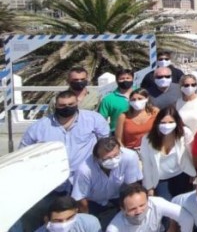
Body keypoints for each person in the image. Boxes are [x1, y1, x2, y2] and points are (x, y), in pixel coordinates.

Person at [17, 90, 110, 231]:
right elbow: (23, 153)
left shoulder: (94, 120)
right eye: (62, 105)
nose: (67, 107)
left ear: (77, 103)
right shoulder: (39, 127)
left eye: (71, 104)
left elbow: (105, 145)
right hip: (50, 186)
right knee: (37, 217)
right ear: (56, 105)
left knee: (86, 221)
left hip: (84, 183)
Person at [72, 137, 143, 227]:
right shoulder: (84, 170)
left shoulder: (130, 157)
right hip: (93, 203)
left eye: (116, 155)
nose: (113, 160)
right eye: (107, 158)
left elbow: (132, 186)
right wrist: (87, 219)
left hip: (119, 198)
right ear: (96, 158)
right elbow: (80, 198)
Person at [140, 106, 195, 200]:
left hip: (182, 174)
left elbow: (192, 154)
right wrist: (149, 187)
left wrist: (194, 173)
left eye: (170, 122)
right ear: (157, 123)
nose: (166, 125)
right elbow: (146, 164)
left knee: (183, 203)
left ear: (177, 122)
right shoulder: (147, 139)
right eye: (163, 122)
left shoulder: (184, 133)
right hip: (161, 179)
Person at [107, 183, 193, 232]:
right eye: (132, 209)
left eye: (142, 205)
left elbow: (186, 218)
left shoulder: (157, 203)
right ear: (122, 209)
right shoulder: (113, 229)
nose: (139, 211)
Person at [34, 196, 102, 232]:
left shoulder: (90, 222)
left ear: (76, 212)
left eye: (69, 218)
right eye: (58, 221)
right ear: (47, 220)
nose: (64, 224)